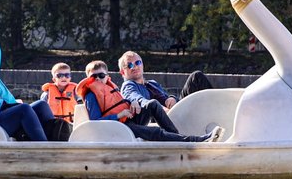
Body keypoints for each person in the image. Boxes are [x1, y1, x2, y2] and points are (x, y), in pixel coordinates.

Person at [77, 60, 220, 142]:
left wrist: (130, 103)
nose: (97, 79)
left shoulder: (111, 88)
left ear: (107, 76)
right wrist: (118, 116)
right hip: (117, 127)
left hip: (129, 120)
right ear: (88, 79)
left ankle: (177, 139)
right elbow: (95, 121)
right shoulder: (91, 95)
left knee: (152, 104)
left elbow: (121, 102)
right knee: (156, 132)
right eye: (93, 77)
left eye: (101, 75)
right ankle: (192, 141)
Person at [118, 50, 214, 113]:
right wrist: (160, 109)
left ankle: (217, 109)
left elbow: (166, 97)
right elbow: (137, 98)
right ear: (122, 72)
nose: (135, 67)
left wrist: (172, 99)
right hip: (162, 118)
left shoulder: (152, 83)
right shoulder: (128, 85)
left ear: (142, 65)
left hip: (175, 111)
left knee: (196, 77)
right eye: (130, 65)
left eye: (138, 63)